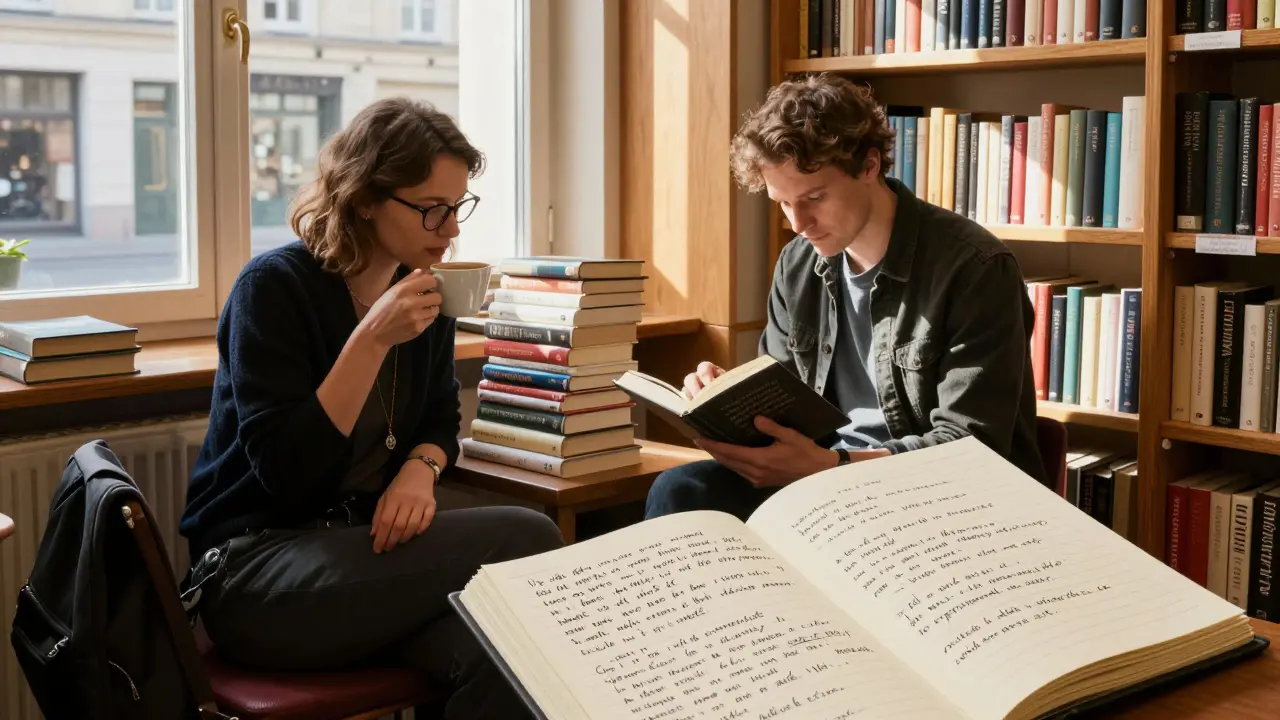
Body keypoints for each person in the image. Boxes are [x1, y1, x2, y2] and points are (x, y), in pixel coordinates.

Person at [177, 97, 562, 719]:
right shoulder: (274, 288)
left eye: (457, 207)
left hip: (364, 560)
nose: (452, 229)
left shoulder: (423, 287)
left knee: (514, 658)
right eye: (432, 209)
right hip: (254, 573)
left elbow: (440, 417)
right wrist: (371, 339)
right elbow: (289, 475)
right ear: (363, 199)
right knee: (532, 532)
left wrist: (421, 468)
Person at [645, 74, 1045, 521]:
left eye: (814, 197)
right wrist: (729, 401)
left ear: (869, 166)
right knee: (681, 489)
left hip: (931, 499)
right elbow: (788, 402)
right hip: (821, 480)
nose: (798, 223)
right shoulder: (798, 265)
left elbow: (971, 446)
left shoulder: (975, 269)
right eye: (782, 202)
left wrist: (834, 466)